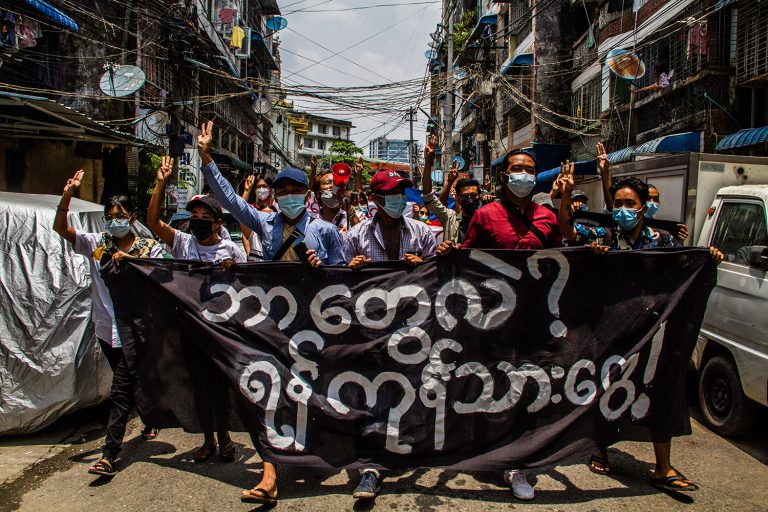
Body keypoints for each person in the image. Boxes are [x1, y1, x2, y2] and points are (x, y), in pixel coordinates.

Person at [557, 166, 723, 492]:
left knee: (661, 391)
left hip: (653, 330)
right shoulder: (603, 238)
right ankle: (600, 449)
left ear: (643, 207)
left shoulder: (664, 241)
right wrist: (565, 195)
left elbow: (686, 266)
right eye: (617, 203)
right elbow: (569, 229)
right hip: (611, 329)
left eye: (629, 204)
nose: (622, 209)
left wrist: (709, 257)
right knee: (606, 386)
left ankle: (663, 467)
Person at [53, 169, 164, 478]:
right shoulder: (97, 244)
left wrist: (133, 263)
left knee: (119, 390)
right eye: (110, 215)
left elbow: (165, 272)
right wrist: (67, 197)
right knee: (128, 381)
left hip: (136, 330)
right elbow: (61, 228)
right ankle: (150, 417)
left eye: (120, 215)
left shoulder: (147, 249)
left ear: (132, 217)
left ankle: (109, 455)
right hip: (105, 328)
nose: (115, 221)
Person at [342, 169, 437, 500]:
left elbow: (441, 278)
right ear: (376, 200)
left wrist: (424, 265)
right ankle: (371, 467)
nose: (400, 199)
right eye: (393, 193)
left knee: (411, 390)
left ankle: (410, 447)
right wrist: (350, 268)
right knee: (373, 396)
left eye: (403, 192)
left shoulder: (424, 234)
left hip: (414, 332)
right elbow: (336, 287)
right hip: (370, 333)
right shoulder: (355, 237)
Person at [148, 156, 246, 465]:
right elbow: (153, 223)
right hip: (190, 327)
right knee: (198, 386)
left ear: (218, 223)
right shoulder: (183, 243)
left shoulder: (230, 249)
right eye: (195, 216)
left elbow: (247, 286)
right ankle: (208, 439)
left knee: (220, 384)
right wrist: (161, 182)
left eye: (206, 216)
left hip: (220, 328)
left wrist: (232, 271)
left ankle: (226, 438)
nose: (199, 221)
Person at [197, 120, 345, 270]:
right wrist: (207, 158)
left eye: (295, 191)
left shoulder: (327, 230)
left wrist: (322, 270)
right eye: (283, 191)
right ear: (276, 197)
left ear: (307, 197)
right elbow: (231, 201)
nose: (289, 195)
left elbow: (341, 276)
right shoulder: (264, 222)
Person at [421, 133, 484, 244]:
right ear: (458, 198)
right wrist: (428, 162)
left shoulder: (487, 218)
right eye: (465, 196)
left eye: (473, 195)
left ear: (479, 196)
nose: (469, 199)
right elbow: (428, 195)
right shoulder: (450, 218)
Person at [240, 174, 274, 261]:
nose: (261, 189)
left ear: (270, 188)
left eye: (264, 186)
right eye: (258, 187)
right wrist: (249, 253)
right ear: (254, 189)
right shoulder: (251, 209)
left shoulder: (278, 206)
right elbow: (241, 213)